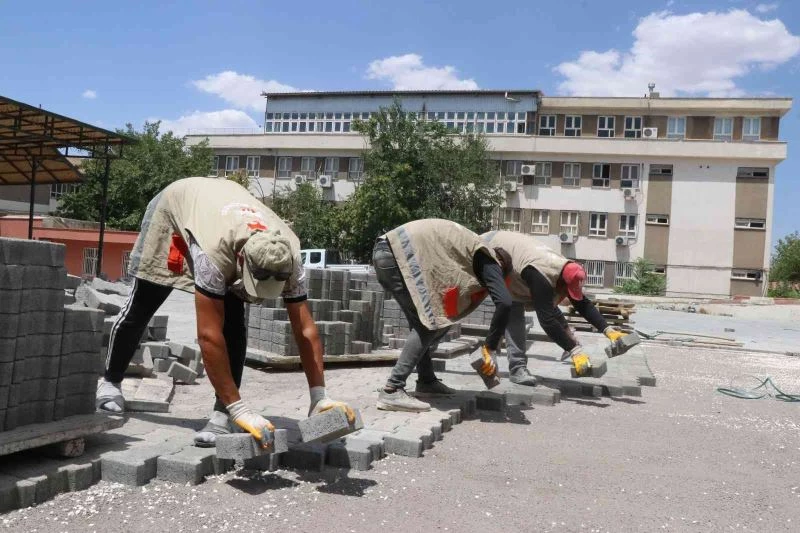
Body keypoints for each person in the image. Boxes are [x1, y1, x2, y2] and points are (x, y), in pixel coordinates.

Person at [96, 177, 354, 448]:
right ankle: (110, 383)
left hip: (225, 213)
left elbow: (305, 328)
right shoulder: (214, 256)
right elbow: (208, 336)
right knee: (144, 303)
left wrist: (319, 396)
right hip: (176, 208)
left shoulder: (288, 254)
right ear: (242, 262)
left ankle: (223, 413)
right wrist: (243, 410)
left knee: (234, 322)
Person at [373, 219, 514, 412]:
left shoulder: (472, 251)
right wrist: (490, 348)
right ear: (501, 269)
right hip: (396, 255)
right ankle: (392, 389)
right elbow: (505, 302)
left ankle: (426, 380)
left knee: (429, 323)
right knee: (429, 325)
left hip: (387, 252)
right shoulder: (490, 260)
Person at [481, 230, 626, 384]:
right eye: (566, 291)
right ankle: (516, 368)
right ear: (561, 282)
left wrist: (608, 330)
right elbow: (547, 320)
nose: (566, 295)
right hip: (487, 249)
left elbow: (582, 303)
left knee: (535, 302)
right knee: (513, 308)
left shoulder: (565, 269)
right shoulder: (541, 275)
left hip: (514, 262)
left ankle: (516, 368)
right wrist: (575, 350)